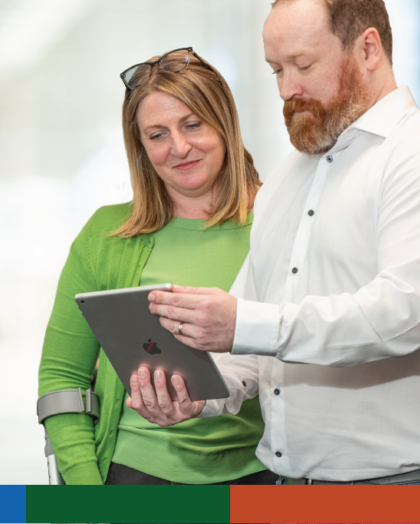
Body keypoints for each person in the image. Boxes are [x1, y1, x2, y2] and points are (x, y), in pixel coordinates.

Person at [128, 0, 420, 486]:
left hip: (413, 487)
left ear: (369, 49)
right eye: (276, 70)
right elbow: (252, 346)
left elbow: (406, 315)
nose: (288, 88)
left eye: (302, 64)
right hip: (293, 491)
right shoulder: (284, 182)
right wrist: (198, 391)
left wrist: (243, 324)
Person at [37, 47, 276, 485]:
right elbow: (62, 378)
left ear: (223, 123)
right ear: (141, 146)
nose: (179, 147)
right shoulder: (108, 234)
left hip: (260, 478)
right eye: (157, 135)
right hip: (134, 476)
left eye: (192, 124)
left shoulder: (282, 221)